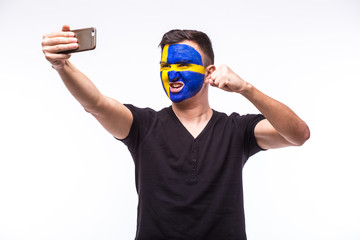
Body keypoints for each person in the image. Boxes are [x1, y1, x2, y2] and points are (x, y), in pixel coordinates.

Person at [42, 25, 310, 240]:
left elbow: (298, 135)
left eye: (182, 64)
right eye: (165, 66)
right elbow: (96, 104)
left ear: (209, 73)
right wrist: (61, 66)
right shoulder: (142, 126)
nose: (171, 73)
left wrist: (246, 89)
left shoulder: (237, 129)